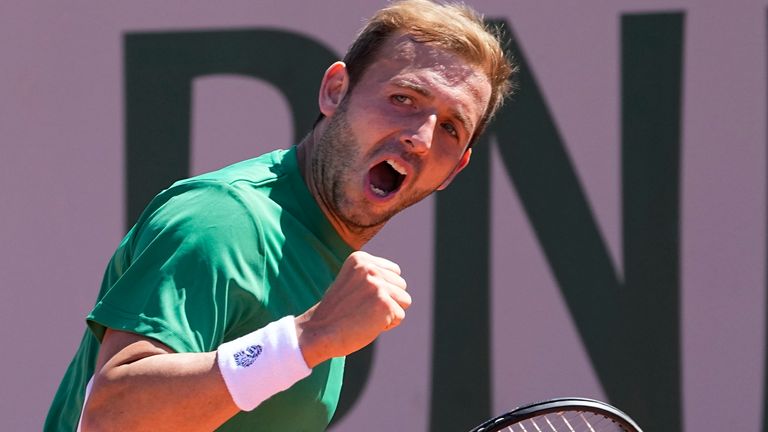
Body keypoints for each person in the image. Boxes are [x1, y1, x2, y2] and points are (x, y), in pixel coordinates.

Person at [45, 0, 515, 430]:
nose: (421, 137)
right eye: (404, 99)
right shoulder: (222, 219)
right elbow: (111, 417)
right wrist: (311, 336)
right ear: (335, 92)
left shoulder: (326, 258)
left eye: (451, 128)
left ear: (455, 170)